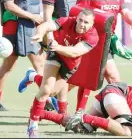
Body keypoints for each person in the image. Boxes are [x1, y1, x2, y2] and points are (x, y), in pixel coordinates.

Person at [27, 9, 99, 138]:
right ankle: (33, 125)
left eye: (86, 22)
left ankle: (32, 76)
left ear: (92, 24)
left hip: (70, 63)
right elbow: (46, 25)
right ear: (76, 18)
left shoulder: (93, 37)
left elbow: (75, 52)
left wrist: (57, 47)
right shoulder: (67, 21)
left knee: (53, 92)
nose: (82, 24)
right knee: (45, 90)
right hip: (56, 55)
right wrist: (39, 33)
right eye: (80, 20)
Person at [32, 82, 132, 137]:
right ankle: (84, 117)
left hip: (112, 100)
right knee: (126, 132)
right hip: (117, 94)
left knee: (81, 129)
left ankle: (39, 113)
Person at [0, 0, 45, 111]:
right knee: (8, 66)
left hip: (29, 25)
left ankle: (45, 100)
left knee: (40, 63)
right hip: (13, 25)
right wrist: (32, 16)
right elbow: (9, 6)